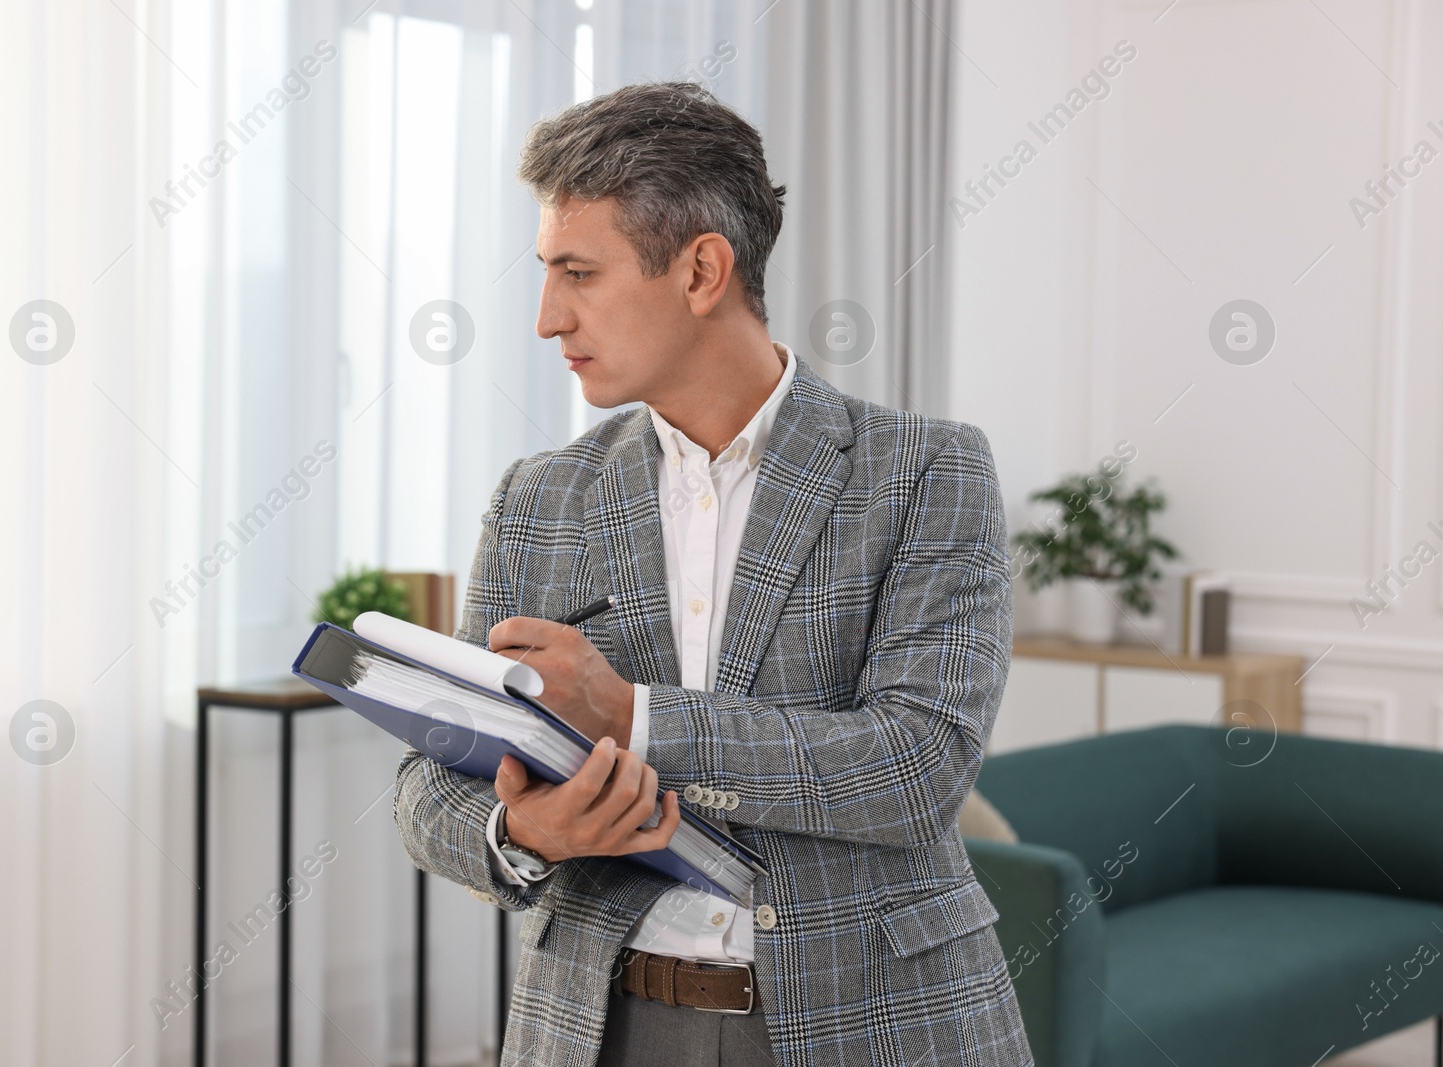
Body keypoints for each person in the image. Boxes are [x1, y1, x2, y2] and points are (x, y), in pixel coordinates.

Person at [394, 79, 1032, 1067]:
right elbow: (432, 783)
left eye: (578, 272)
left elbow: (919, 765)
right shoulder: (538, 496)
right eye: (545, 272)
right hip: (598, 1024)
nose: (546, 318)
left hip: (877, 1021)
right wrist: (526, 829)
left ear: (700, 270)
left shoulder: (924, 469)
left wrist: (634, 720)